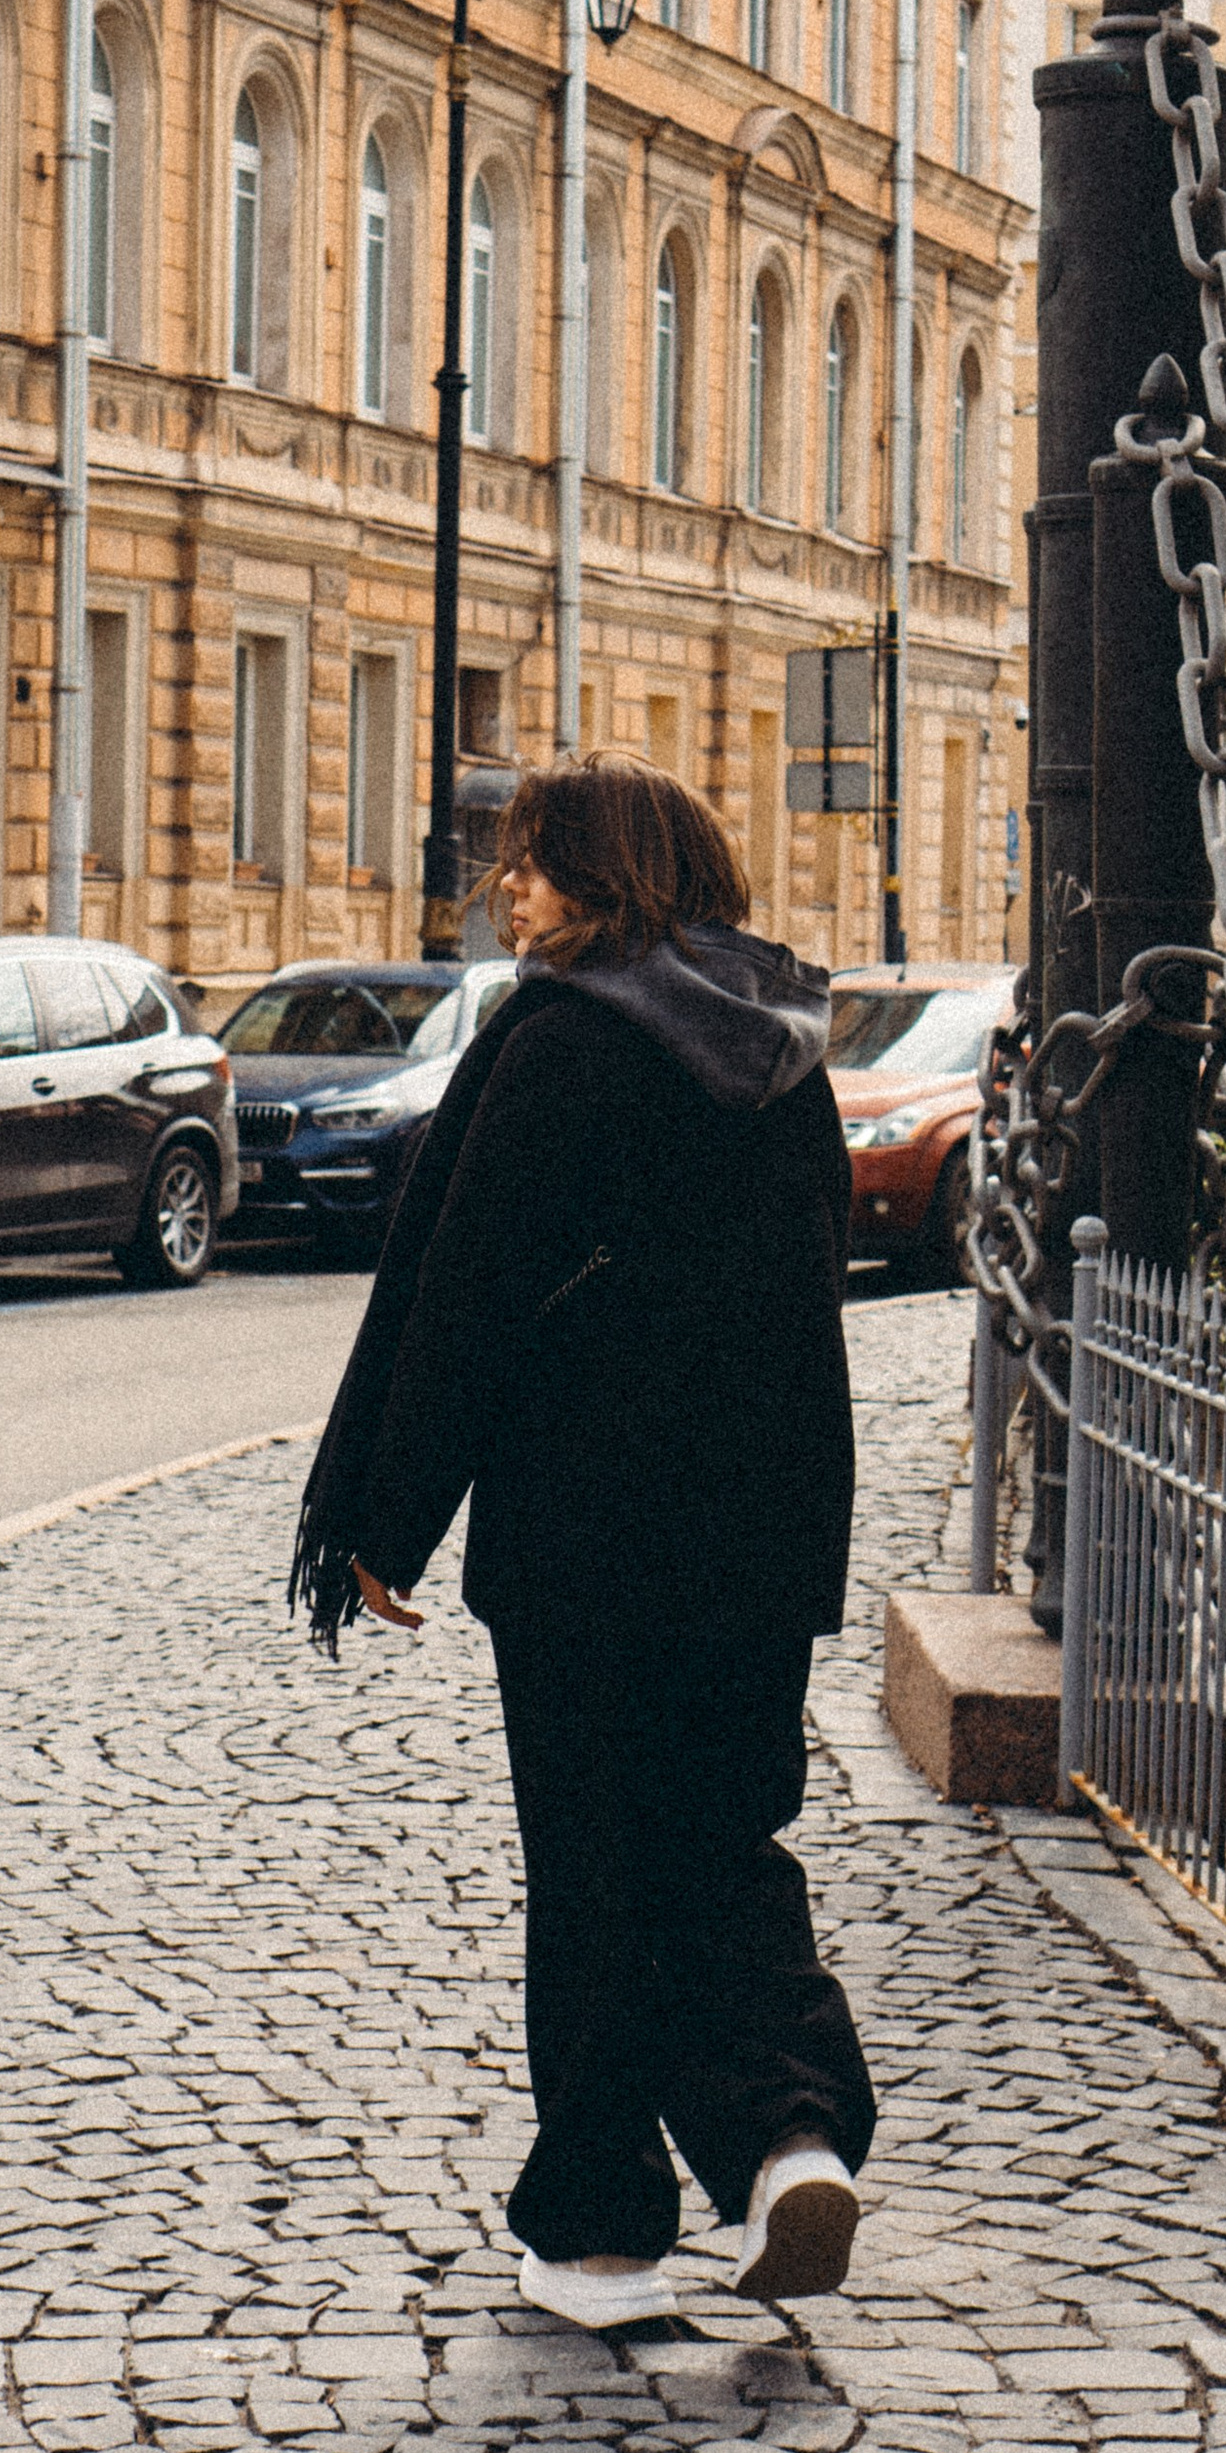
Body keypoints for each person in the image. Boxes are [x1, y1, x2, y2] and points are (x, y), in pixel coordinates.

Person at [287, 752, 874, 2330]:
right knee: (726, 1842)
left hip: (589, 1541)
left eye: (537, 862)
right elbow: (812, 1289)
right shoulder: (782, 1047)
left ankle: (604, 2236)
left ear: (616, 877)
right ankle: (791, 2137)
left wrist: (386, 1519)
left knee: (600, 1869)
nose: (509, 891)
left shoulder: (560, 1043)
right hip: (761, 1539)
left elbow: (465, 1298)